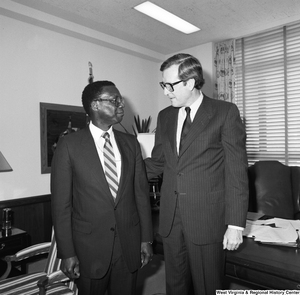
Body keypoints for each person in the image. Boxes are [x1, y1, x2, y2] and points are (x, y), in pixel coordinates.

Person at [145, 53, 249, 295]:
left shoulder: (225, 112)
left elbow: (236, 171)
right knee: (175, 286)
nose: (165, 91)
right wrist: (121, 172)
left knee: (207, 286)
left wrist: (235, 224)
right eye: (163, 85)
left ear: (190, 82)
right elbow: (159, 162)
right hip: (171, 218)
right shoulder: (165, 116)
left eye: (169, 85)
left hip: (207, 219)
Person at [51, 80, 153, 295]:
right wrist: (67, 253)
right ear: (95, 105)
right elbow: (61, 206)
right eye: (115, 100)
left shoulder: (131, 143)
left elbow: (141, 196)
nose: (121, 105)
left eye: (121, 100)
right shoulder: (69, 145)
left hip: (129, 244)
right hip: (89, 248)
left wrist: (146, 239)